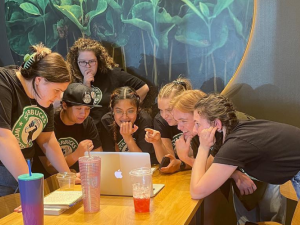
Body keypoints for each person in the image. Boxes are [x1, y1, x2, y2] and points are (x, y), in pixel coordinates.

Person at [191, 94, 300, 220]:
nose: (195, 130)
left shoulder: (236, 144)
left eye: (197, 123)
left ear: (217, 124)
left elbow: (197, 191)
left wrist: (203, 148)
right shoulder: (238, 131)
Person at [0, 44, 73, 196]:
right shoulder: (4, 83)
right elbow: (3, 138)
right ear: (39, 80)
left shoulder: (43, 97)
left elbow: (47, 140)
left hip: (25, 171)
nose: (59, 98)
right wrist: (31, 188)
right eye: (57, 90)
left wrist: (68, 176)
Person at [67, 38, 149, 150]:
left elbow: (144, 88)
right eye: (82, 62)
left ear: (98, 60)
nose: (87, 66)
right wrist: (86, 85)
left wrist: (125, 107)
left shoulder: (112, 74)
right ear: (76, 62)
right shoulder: (73, 80)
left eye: (91, 61)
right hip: (86, 133)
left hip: (110, 129)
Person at [32, 83, 103, 177]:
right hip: (49, 182)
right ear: (65, 105)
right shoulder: (49, 123)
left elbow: (99, 156)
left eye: (87, 109)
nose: (84, 114)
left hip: (78, 177)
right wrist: (76, 154)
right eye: (79, 108)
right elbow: (50, 168)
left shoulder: (88, 122)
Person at [145, 77, 195, 173]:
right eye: (160, 110)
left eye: (169, 110)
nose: (164, 115)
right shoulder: (160, 120)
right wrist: (157, 143)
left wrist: (181, 164)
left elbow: (205, 162)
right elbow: (168, 162)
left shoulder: (196, 120)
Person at [101, 86, 157, 164]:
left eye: (130, 111)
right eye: (119, 111)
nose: (124, 117)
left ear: (137, 110)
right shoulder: (107, 121)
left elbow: (142, 162)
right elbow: (110, 158)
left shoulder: (144, 120)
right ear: (112, 110)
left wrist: (127, 137)